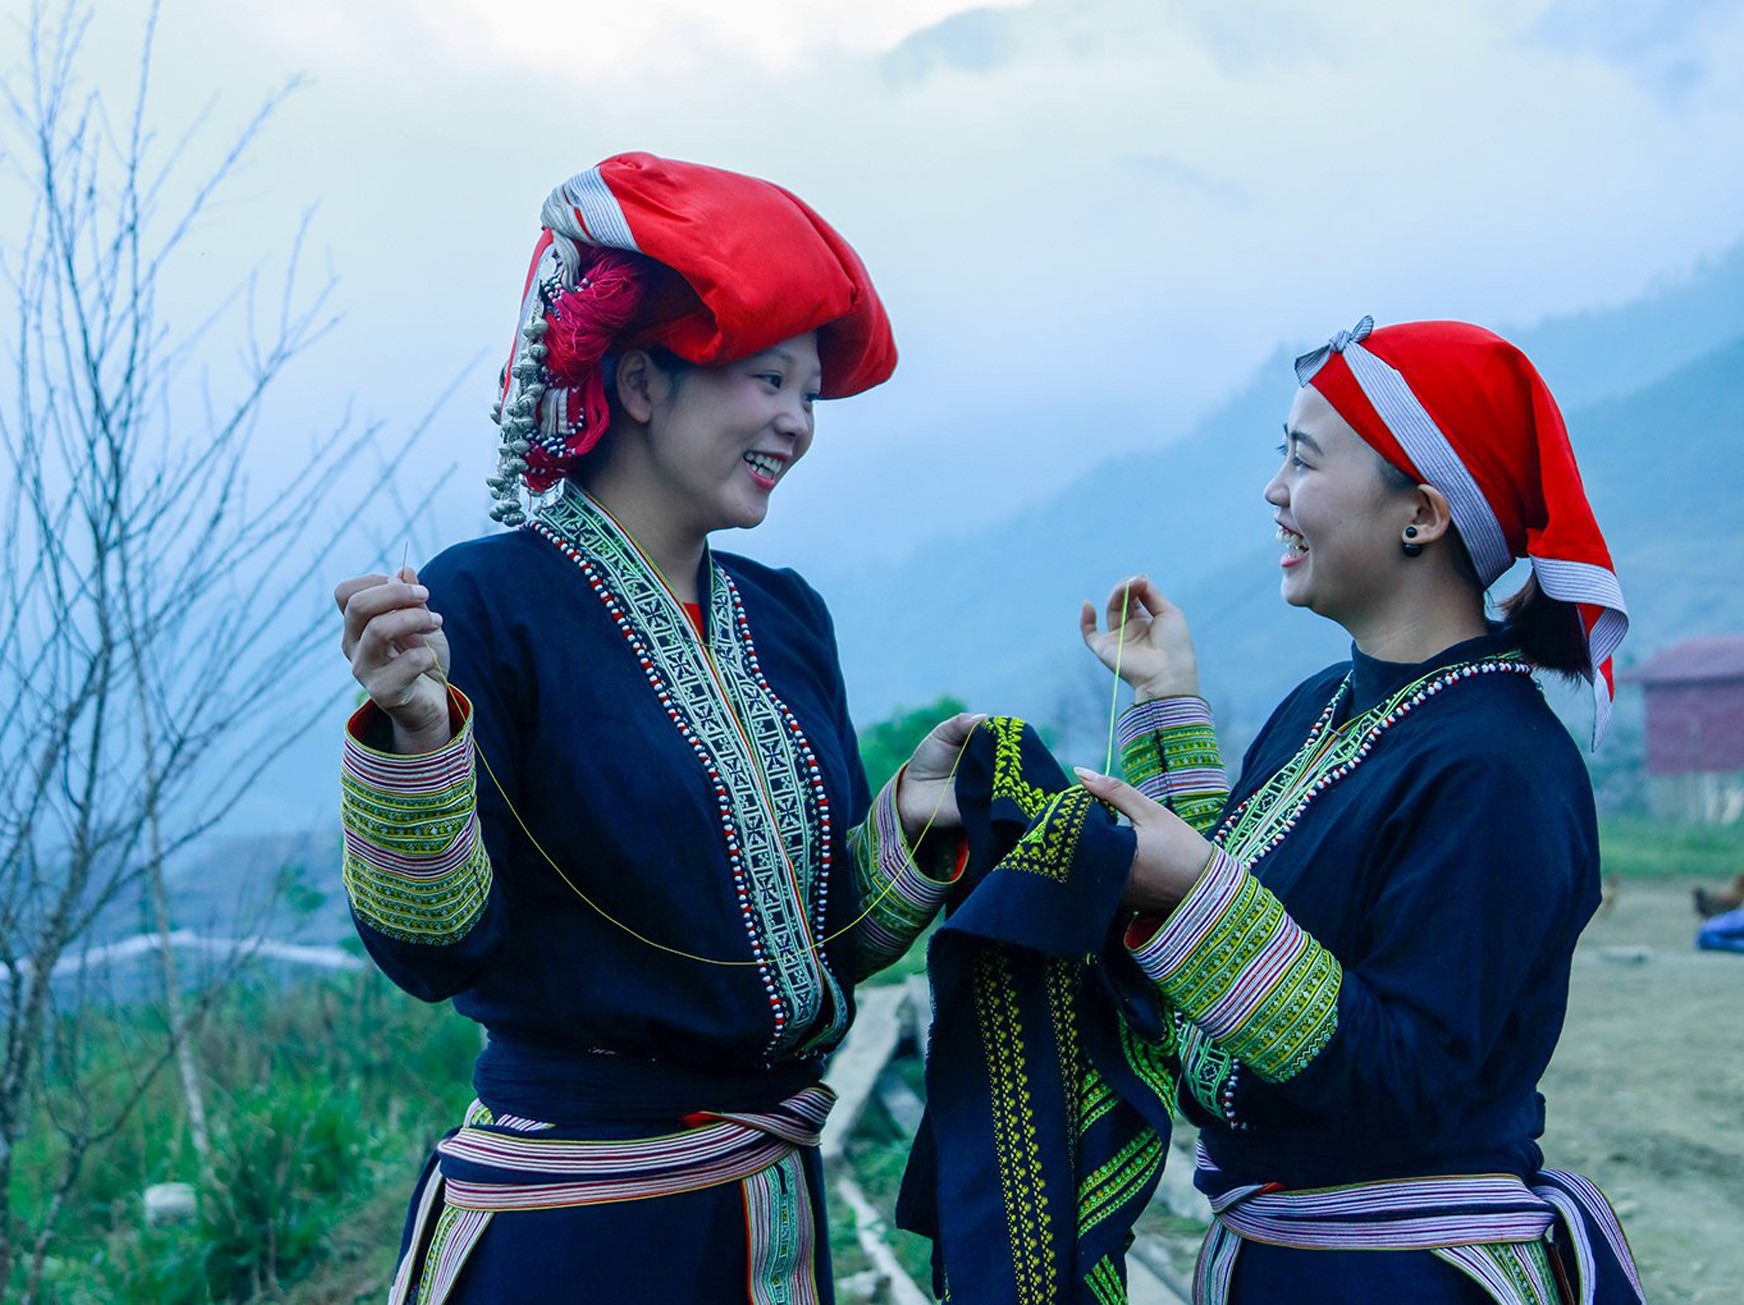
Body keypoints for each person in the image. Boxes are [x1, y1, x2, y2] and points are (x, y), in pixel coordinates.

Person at [334, 152, 971, 1305]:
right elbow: (433, 948)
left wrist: (918, 821)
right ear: (639, 385)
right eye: (766, 380)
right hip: (581, 1226)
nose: (795, 421)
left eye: (809, 395)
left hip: (766, 1216)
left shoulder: (784, 617)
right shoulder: (488, 604)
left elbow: (814, 948)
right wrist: (417, 733)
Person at [1063, 318, 1645, 1302]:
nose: (1274, 493)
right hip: (1288, 1264)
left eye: (1301, 461)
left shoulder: (1499, 769)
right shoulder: (1319, 709)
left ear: (1420, 514)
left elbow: (1408, 1081)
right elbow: (1261, 922)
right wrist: (1168, 709)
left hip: (1398, 1276)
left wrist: (1197, 892)